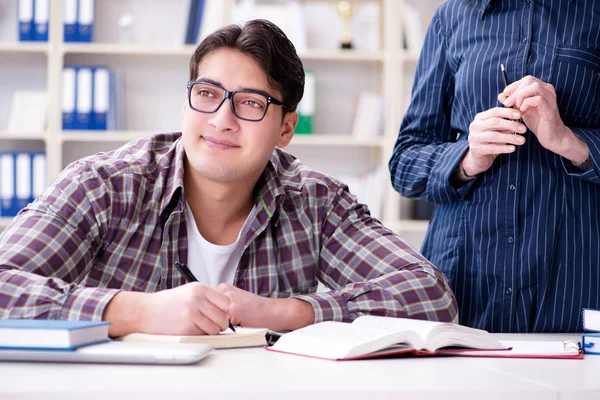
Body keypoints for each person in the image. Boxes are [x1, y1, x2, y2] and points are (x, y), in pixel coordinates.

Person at [0, 20, 457, 337]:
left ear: (285, 129)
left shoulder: (316, 201)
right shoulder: (103, 185)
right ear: (186, 103)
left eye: (251, 103)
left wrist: (286, 312)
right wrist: (137, 311)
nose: (221, 120)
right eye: (207, 94)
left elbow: (431, 294)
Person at [389, 0, 600, 333]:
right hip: (464, 277)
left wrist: (567, 140)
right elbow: (405, 164)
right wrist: (468, 158)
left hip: (572, 280)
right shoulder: (451, 17)